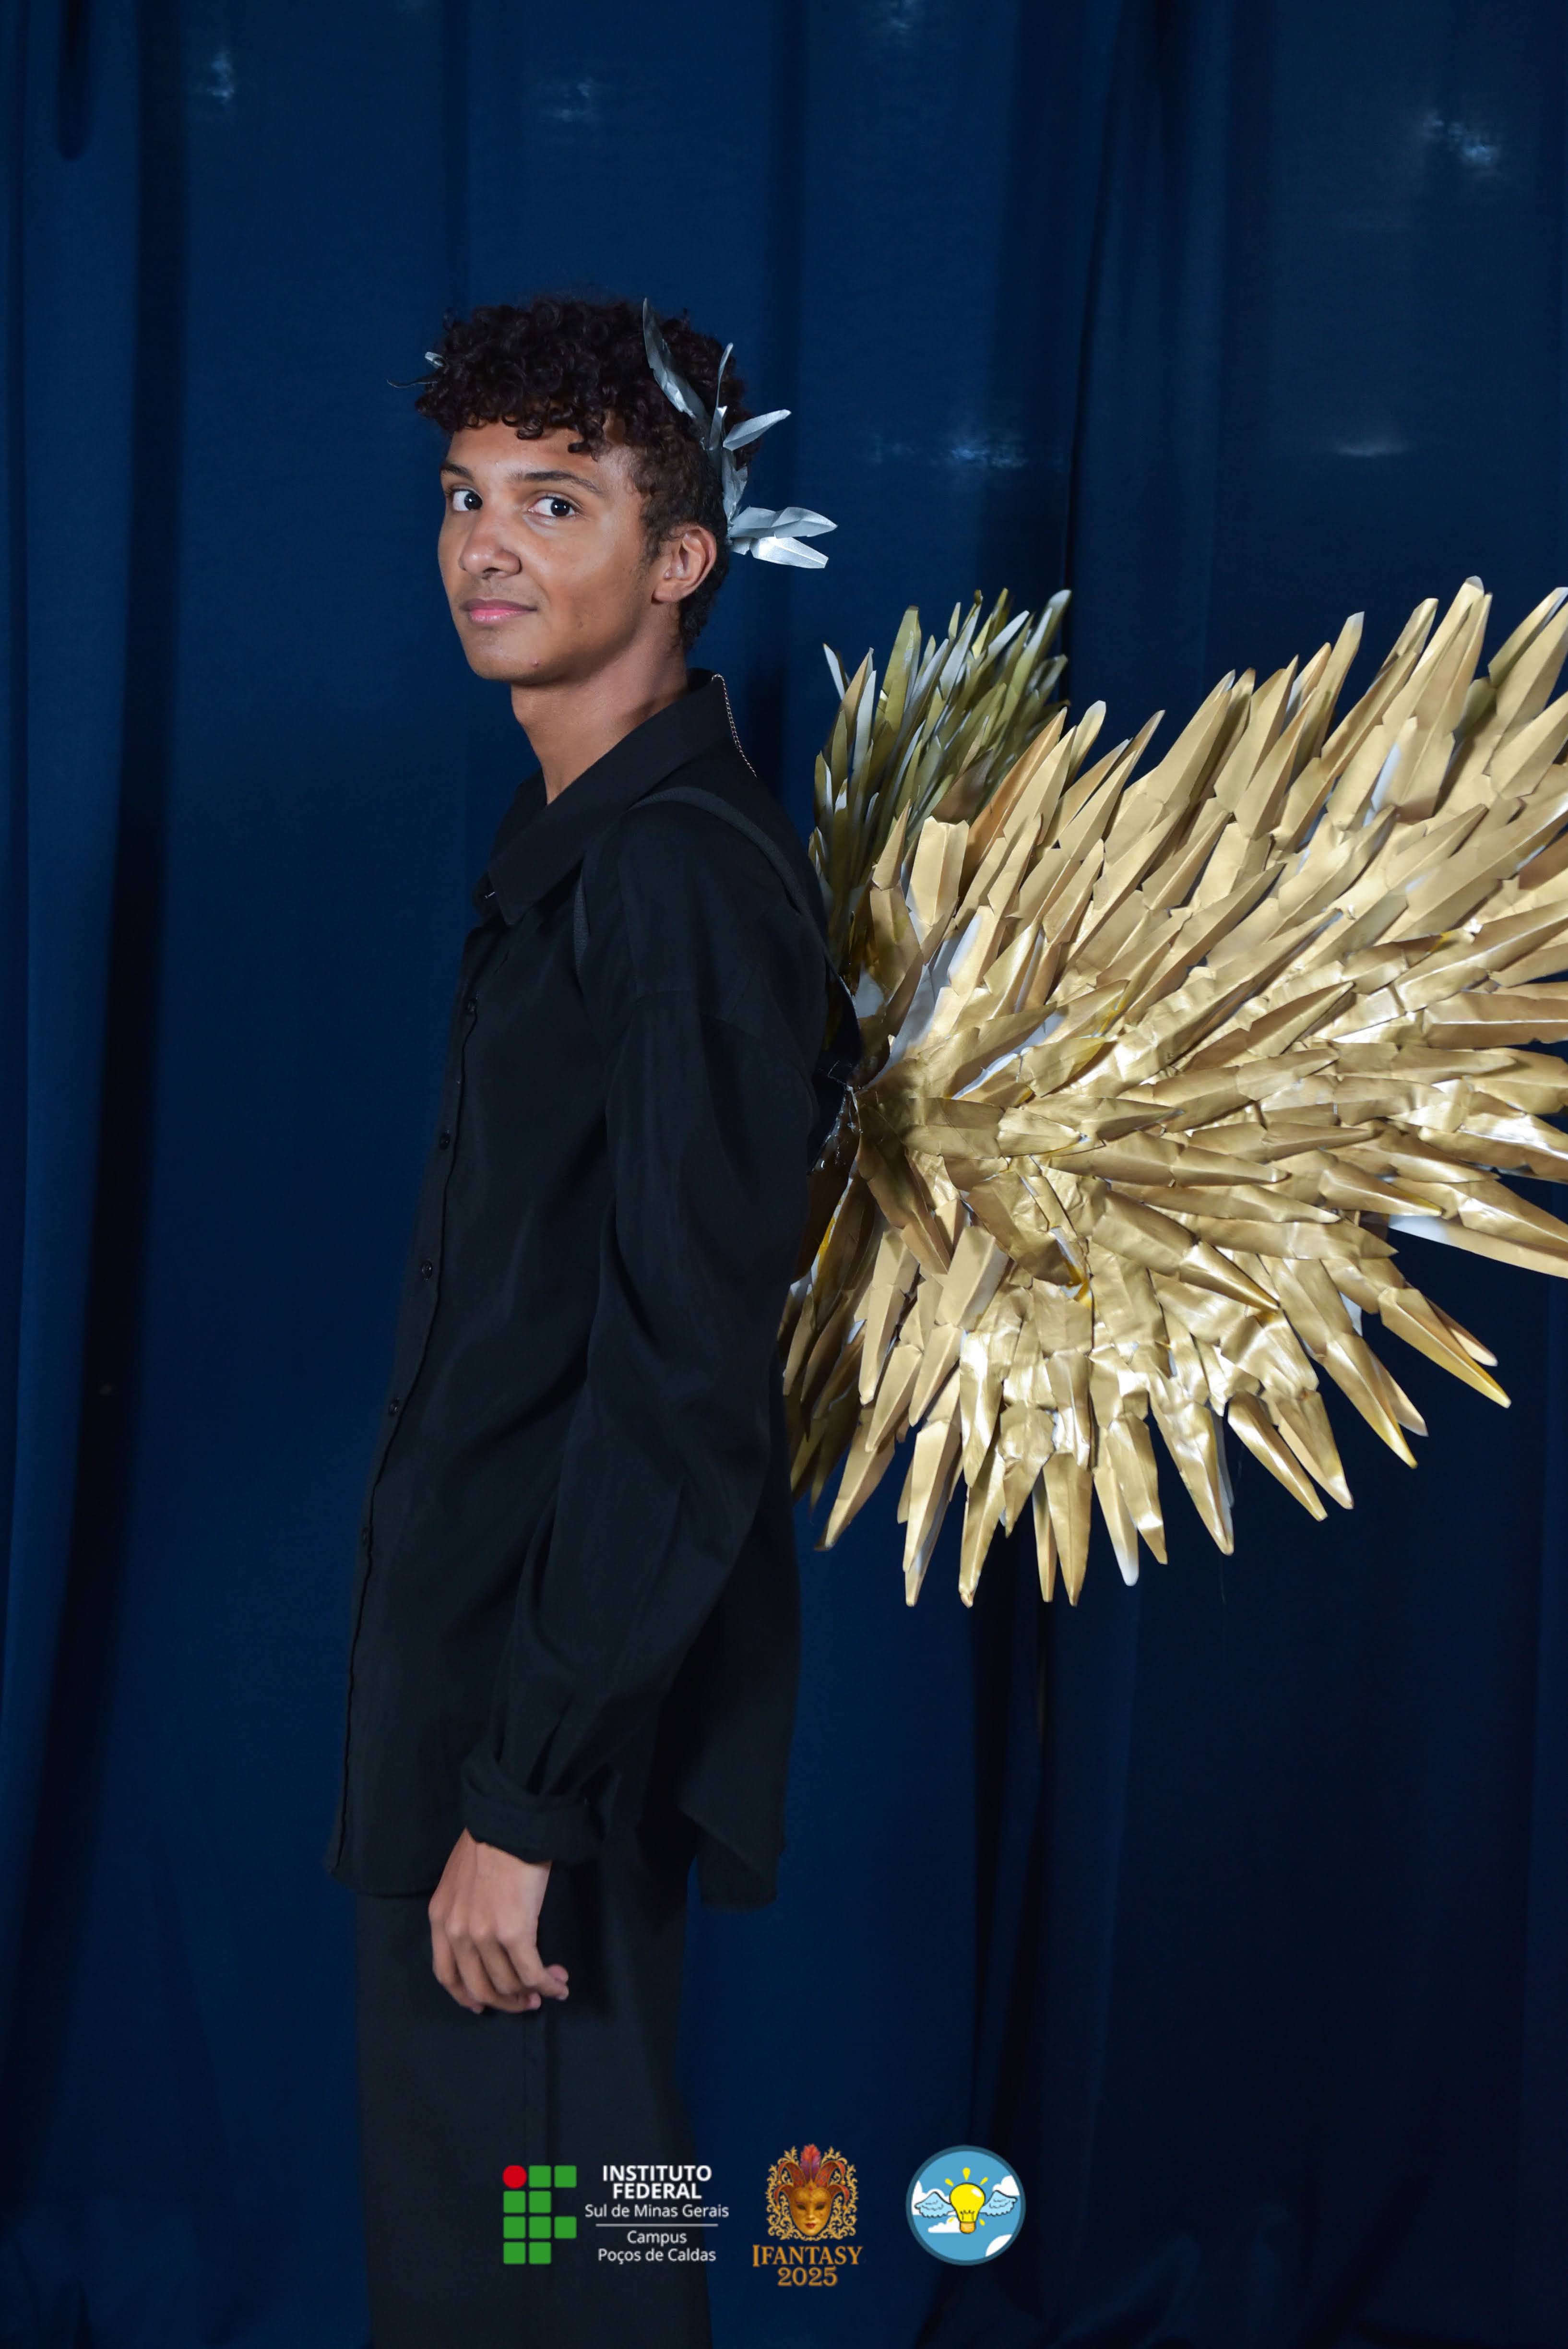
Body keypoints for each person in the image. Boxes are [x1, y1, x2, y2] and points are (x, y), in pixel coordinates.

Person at [321, 291, 851, 2349]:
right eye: (466, 496)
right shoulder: (581, 843)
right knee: (513, 2263)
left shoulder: (675, 882)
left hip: (547, 1752)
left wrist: (522, 1803)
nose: (486, 544)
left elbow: (682, 1377)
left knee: (539, 2283)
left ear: (683, 555)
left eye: (556, 500)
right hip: (487, 1703)